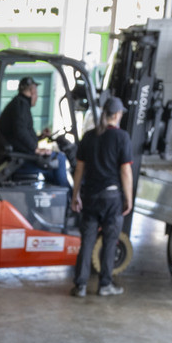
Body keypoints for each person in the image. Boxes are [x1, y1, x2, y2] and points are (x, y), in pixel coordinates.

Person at [71, 92, 134, 300]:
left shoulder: (89, 137)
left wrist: (76, 194)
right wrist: (129, 197)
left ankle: (80, 286)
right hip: (111, 199)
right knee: (109, 241)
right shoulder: (122, 137)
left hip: (90, 197)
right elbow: (125, 171)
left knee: (87, 241)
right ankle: (104, 284)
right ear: (116, 115)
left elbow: (79, 170)